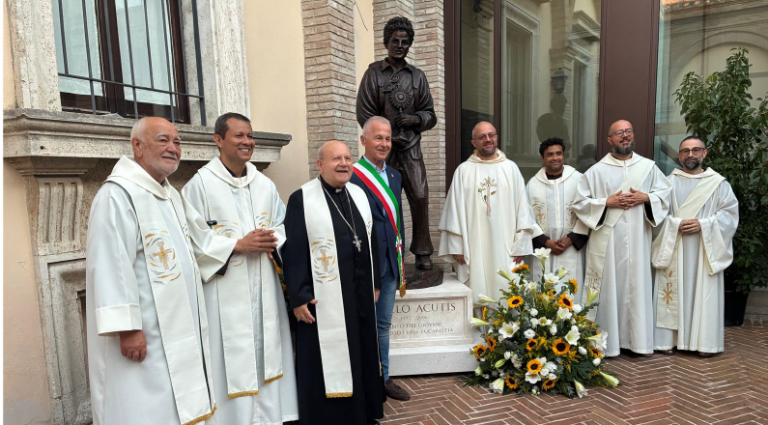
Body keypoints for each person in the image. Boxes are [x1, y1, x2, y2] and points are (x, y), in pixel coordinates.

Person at [85, 117, 216, 425]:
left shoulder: (170, 194)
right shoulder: (118, 194)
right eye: (163, 140)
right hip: (144, 331)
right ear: (138, 146)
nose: (173, 148)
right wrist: (127, 328)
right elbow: (110, 263)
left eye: (177, 141)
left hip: (177, 324)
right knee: (142, 404)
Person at [182, 113, 299, 424]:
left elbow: (281, 225)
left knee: (267, 350)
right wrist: (237, 245)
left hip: (264, 285)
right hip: (223, 291)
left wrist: (271, 239)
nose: (247, 141)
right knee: (229, 355)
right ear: (218, 140)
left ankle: (269, 418)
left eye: (250, 135)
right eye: (239, 135)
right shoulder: (200, 186)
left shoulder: (264, 184)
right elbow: (191, 239)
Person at [282, 141, 385, 425]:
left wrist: (376, 282)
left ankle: (363, 414)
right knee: (329, 356)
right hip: (323, 297)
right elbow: (294, 251)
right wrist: (299, 296)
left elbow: (371, 240)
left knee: (361, 350)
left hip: (360, 292)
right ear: (320, 164)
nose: (343, 163)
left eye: (348, 158)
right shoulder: (302, 199)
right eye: (336, 158)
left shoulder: (358, 195)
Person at [573, 119, 672, 357]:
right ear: (610, 139)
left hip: (638, 240)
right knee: (610, 289)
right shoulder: (596, 171)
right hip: (608, 243)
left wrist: (646, 198)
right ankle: (611, 344)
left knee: (637, 286)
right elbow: (580, 203)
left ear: (633, 135)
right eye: (619, 133)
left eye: (628, 131)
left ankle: (638, 343)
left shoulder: (649, 168)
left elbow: (666, 195)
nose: (625, 136)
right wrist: (606, 202)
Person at [357, 16, 438, 270]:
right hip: (384, 152)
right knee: (384, 201)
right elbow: (365, 114)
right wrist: (386, 137)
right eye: (395, 41)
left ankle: (422, 252)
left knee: (420, 196)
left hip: (411, 148)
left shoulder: (417, 76)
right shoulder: (373, 74)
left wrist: (414, 119)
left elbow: (430, 114)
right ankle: (387, 254)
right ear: (386, 42)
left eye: (405, 42)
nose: (400, 46)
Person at [652, 136, 739, 357]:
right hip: (674, 246)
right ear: (679, 155)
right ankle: (667, 341)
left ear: (704, 153)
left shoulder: (719, 184)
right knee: (670, 293)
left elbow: (729, 216)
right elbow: (656, 217)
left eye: (696, 150)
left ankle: (704, 344)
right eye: (685, 151)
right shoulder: (667, 183)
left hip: (704, 250)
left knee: (703, 292)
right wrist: (674, 225)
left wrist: (704, 225)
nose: (690, 154)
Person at [438, 121, 535, 302]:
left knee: (507, 288)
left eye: (491, 135)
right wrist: (456, 244)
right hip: (474, 244)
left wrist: (521, 242)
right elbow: (453, 209)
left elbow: (523, 207)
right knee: (477, 290)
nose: (488, 139)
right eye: (482, 137)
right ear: (474, 142)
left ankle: (507, 321)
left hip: (507, 245)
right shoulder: (463, 171)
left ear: (497, 137)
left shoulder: (511, 168)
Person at [349, 116, 410, 401]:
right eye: (378, 138)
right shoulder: (352, 175)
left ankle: (383, 378)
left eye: (387, 138)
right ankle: (362, 380)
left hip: (390, 263)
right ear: (363, 140)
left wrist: (401, 257)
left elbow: (397, 221)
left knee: (383, 325)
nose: (384, 143)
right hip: (365, 265)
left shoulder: (395, 176)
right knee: (362, 324)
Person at [527, 137, 589, 292]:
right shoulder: (532, 185)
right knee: (542, 295)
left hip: (572, 248)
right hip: (542, 250)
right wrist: (546, 242)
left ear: (564, 156)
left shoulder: (579, 180)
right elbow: (526, 217)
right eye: (550, 154)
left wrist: (571, 238)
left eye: (558, 153)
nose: (555, 158)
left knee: (570, 295)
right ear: (542, 158)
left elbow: (589, 211)